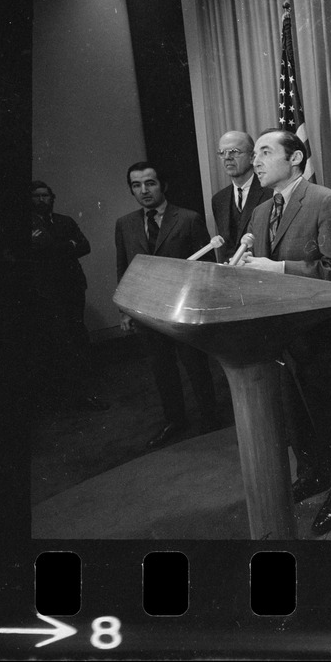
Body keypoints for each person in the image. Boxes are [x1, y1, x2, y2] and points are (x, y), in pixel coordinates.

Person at [239, 129, 331, 537]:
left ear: (295, 158)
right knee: (293, 419)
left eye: (265, 152)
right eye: (253, 153)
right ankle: (313, 475)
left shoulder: (324, 200)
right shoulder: (259, 211)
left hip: (316, 334)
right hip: (278, 336)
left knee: (325, 416)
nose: (255, 161)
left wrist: (276, 269)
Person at [115, 161, 221, 449]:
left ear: (163, 185)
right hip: (148, 312)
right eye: (136, 185)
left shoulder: (187, 219)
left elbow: (207, 268)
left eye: (149, 183)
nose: (143, 190)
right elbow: (124, 269)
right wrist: (124, 310)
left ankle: (211, 419)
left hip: (183, 309)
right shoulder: (125, 224)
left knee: (195, 365)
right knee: (162, 369)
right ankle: (175, 420)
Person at [28, 180, 108, 412]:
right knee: (59, 341)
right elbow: (52, 248)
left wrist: (54, 248)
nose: (41, 199)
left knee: (77, 334)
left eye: (45, 195)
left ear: (52, 198)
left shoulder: (65, 221)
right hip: (46, 292)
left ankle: (86, 386)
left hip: (72, 287)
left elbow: (84, 246)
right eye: (36, 196)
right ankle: (71, 394)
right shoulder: (27, 224)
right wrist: (66, 246)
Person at [211, 131, 272, 263]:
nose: (227, 157)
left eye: (234, 151)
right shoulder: (218, 199)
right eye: (222, 153)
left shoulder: (271, 193)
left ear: (252, 157)